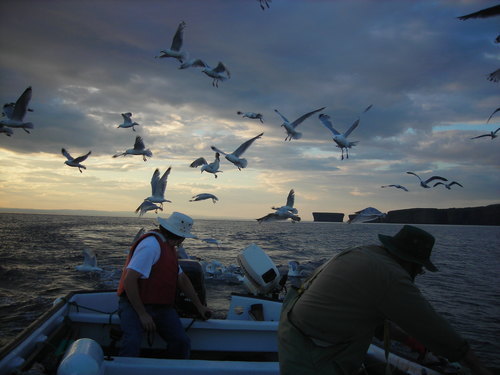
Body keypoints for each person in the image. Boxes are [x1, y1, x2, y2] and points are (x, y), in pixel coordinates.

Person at [278, 225, 492, 375]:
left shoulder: (364, 253)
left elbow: (360, 311)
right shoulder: (390, 275)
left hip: (294, 327)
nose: (418, 274)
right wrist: (476, 365)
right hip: (312, 352)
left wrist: (409, 340)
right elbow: (431, 325)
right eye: (420, 269)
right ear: (411, 263)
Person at [117, 211, 210, 358]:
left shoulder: (169, 247)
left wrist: (199, 306)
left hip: (160, 307)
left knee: (181, 342)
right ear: (180, 237)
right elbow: (129, 280)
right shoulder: (151, 246)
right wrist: (143, 314)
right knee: (132, 341)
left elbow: (182, 279)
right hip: (134, 305)